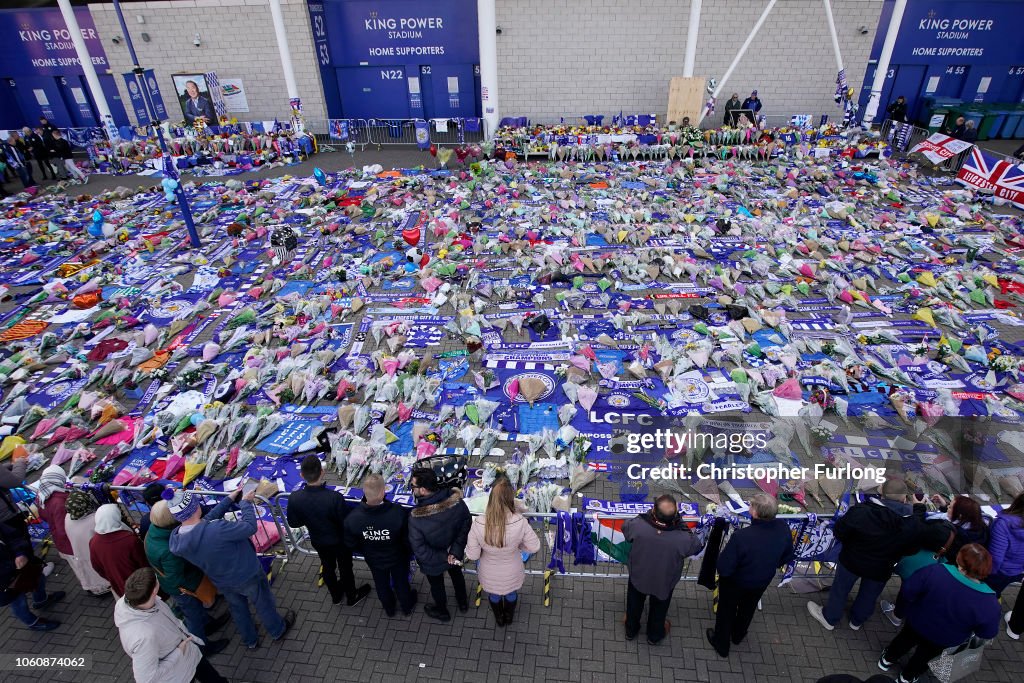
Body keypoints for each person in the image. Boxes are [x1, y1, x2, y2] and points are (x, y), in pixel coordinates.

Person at [167, 488, 295, 649]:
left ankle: (250, 640)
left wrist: (228, 500)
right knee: (264, 603)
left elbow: (204, 522)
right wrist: (246, 503)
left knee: (238, 609)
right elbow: (249, 527)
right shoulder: (217, 529)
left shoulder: (177, 539)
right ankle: (277, 630)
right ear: (195, 507)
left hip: (221, 579)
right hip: (247, 573)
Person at [808, 479, 922, 630]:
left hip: (852, 560)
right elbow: (911, 549)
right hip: (881, 568)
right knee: (869, 594)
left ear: (881, 492)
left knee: (841, 589)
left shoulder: (862, 511)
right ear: (904, 498)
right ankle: (857, 620)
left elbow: (840, 531)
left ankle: (830, 618)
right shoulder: (911, 523)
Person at [877, 544, 1000, 683]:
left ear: (960, 560)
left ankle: (887, 659)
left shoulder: (936, 572)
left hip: (918, 621)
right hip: (946, 637)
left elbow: (908, 590)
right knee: (925, 656)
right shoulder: (989, 601)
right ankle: (907, 677)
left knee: (904, 640)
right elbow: (987, 632)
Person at [706, 494, 795, 657]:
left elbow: (725, 566)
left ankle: (721, 644)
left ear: (755, 513)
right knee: (748, 608)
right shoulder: (783, 528)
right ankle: (738, 635)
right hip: (761, 581)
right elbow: (787, 554)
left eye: (751, 506)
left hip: (735, 583)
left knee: (726, 611)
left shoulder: (742, 537)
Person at [115, 567, 229, 683]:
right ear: (154, 590)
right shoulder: (143, 638)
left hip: (190, 653)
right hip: (179, 674)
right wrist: (179, 652)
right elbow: (146, 679)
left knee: (215, 679)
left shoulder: (133, 601)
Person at [285, 455, 370, 607]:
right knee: (345, 568)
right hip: (339, 541)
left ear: (301, 475)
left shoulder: (295, 498)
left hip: (318, 540)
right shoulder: (334, 497)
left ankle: (336, 596)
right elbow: (346, 522)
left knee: (327, 566)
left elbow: (293, 522)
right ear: (322, 472)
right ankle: (352, 596)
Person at [145, 500, 228, 656]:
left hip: (177, 585)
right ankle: (203, 647)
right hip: (184, 589)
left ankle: (208, 624)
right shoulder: (169, 549)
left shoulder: (154, 530)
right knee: (193, 617)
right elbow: (176, 577)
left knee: (196, 613)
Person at [622, 494, 702, 645]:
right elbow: (696, 546)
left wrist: (647, 517)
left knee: (634, 603)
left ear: (653, 510)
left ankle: (630, 630)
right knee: (660, 608)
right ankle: (654, 635)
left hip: (639, 575)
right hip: (664, 580)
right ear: (675, 516)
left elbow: (626, 528)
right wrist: (681, 524)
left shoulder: (639, 526)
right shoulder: (683, 538)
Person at [464, 477, 540, 626]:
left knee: (494, 594)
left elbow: (472, 555)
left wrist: (483, 550)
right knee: (511, 593)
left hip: (489, 571)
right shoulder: (520, 521)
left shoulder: (479, 523)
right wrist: (518, 547)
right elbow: (534, 546)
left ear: (491, 498)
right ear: (511, 499)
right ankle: (509, 616)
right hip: (513, 569)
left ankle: (499, 618)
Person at [343, 474, 417, 617]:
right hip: (398, 557)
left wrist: (366, 549)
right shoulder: (397, 512)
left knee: (381, 584)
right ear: (383, 491)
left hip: (374, 559)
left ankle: (389, 609)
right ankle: (407, 607)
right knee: (401, 583)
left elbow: (350, 544)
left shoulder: (352, 519)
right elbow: (408, 539)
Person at [408, 467, 472, 622]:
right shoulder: (456, 501)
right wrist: (453, 552)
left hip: (433, 561)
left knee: (437, 586)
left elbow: (419, 549)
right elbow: (466, 523)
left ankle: (442, 611)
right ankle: (462, 603)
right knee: (457, 576)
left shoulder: (416, 518)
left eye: (413, 486)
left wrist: (444, 556)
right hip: (454, 554)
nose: (411, 489)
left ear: (422, 490)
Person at [35, 466, 106, 597]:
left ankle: (90, 586)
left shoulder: (42, 494)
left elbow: (43, 516)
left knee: (79, 567)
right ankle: (98, 588)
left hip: (61, 541)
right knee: (86, 566)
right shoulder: (59, 501)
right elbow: (63, 528)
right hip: (71, 543)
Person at [879, 517, 958, 627]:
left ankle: (896, 616)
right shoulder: (942, 558)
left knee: (904, 597)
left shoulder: (914, 552)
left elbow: (900, 568)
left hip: (911, 580)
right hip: (926, 586)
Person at [89, 504, 149, 598]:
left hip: (119, 585)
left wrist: (113, 577)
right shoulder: (129, 540)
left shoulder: (93, 542)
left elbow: (97, 567)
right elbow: (143, 562)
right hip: (141, 583)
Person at [63, 489, 112, 595]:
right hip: (95, 554)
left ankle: (96, 588)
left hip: (81, 552)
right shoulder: (94, 520)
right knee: (100, 573)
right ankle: (104, 587)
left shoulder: (68, 518)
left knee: (89, 570)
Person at [985, 492, 1024, 596]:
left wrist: (986, 574)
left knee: (986, 593)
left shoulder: (1003, 524)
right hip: (1017, 571)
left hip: (998, 572)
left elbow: (996, 557)